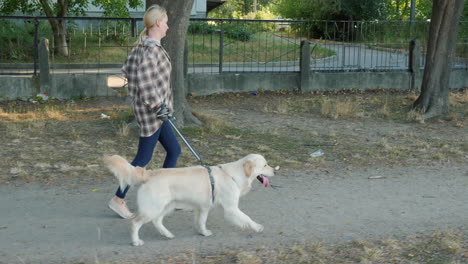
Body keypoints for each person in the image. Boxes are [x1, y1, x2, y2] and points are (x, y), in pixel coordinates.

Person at [108, 4, 181, 219]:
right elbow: (142, 78)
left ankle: (165, 195)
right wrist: (157, 104)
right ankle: (118, 199)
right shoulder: (151, 50)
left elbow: (127, 74)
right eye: (166, 22)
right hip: (153, 114)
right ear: (158, 23)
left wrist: (145, 101)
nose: (167, 27)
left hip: (156, 113)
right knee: (142, 158)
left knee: (174, 150)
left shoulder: (141, 47)